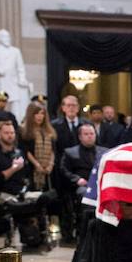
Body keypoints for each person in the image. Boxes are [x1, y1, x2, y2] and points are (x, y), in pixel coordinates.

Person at [50, 95, 89, 241]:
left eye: (74, 105)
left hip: (81, 168)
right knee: (64, 203)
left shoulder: (86, 124)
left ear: (78, 108)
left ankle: (81, 231)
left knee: (81, 203)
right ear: (63, 108)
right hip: (62, 169)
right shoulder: (55, 125)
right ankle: (66, 233)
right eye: (68, 105)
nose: (71, 108)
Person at [60, 124, 106, 199]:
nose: (89, 136)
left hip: (102, 184)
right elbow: (64, 170)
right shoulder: (70, 152)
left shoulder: (105, 152)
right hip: (82, 185)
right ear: (80, 137)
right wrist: (77, 179)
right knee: (86, 193)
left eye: (92, 133)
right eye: (86, 134)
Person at [19, 101, 55, 190]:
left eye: (42, 113)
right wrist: (37, 165)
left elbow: (53, 150)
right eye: (36, 113)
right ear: (31, 114)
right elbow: (25, 150)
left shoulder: (48, 130)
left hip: (48, 170)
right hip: (32, 169)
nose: (40, 116)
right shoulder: (23, 130)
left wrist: (50, 164)